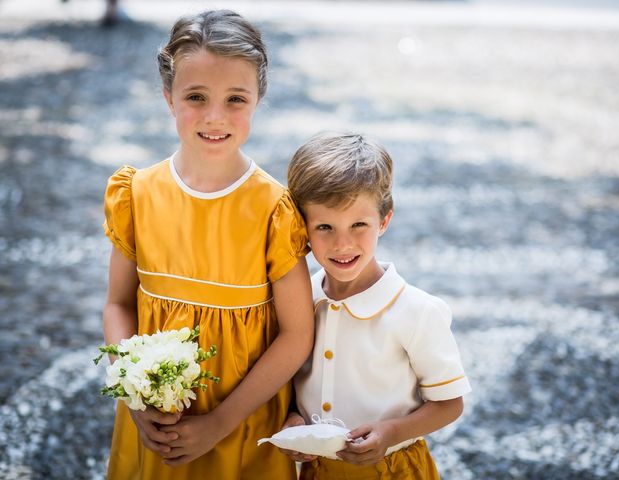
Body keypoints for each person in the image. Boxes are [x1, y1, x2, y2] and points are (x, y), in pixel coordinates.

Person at [101, 9, 314, 480]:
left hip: (242, 426)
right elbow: (118, 305)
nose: (215, 117)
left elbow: (297, 335)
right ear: (167, 97)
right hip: (154, 429)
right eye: (195, 96)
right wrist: (134, 396)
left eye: (236, 98)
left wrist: (219, 422)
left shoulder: (272, 209)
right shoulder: (136, 195)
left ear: (258, 99)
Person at [282, 133, 472, 479]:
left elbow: (449, 403)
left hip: (391, 469)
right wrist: (294, 418)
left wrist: (392, 433)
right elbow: (295, 380)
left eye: (359, 225)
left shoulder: (416, 311)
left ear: (384, 221)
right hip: (317, 471)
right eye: (324, 226)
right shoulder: (301, 300)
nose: (343, 244)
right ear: (302, 228)